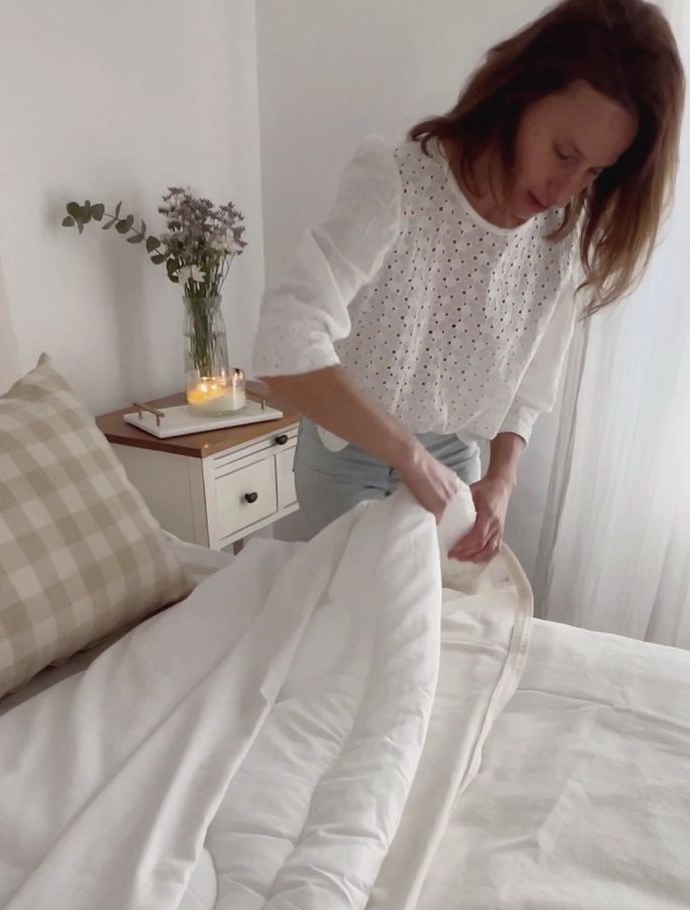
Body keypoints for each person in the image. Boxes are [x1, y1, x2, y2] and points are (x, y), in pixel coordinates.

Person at [253, 0, 684, 562]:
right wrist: (407, 454)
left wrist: (501, 480)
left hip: (454, 456)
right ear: (520, 95)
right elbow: (284, 339)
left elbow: (530, 386)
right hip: (348, 451)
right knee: (365, 605)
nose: (565, 189)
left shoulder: (559, 233)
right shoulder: (398, 182)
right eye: (563, 152)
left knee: (447, 610)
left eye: (595, 171)